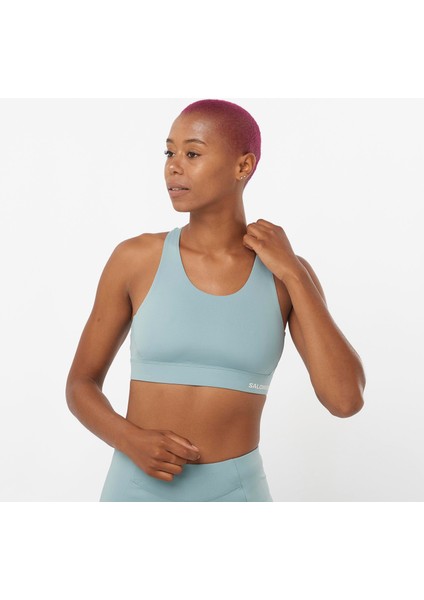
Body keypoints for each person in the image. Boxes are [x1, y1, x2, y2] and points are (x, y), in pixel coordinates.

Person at [65, 99, 366, 502]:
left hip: (237, 493)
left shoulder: (286, 276)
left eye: (192, 153)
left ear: (244, 166)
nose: (173, 166)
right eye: (169, 152)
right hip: (134, 486)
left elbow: (345, 401)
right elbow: (80, 384)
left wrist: (294, 272)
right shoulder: (135, 259)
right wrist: (129, 439)